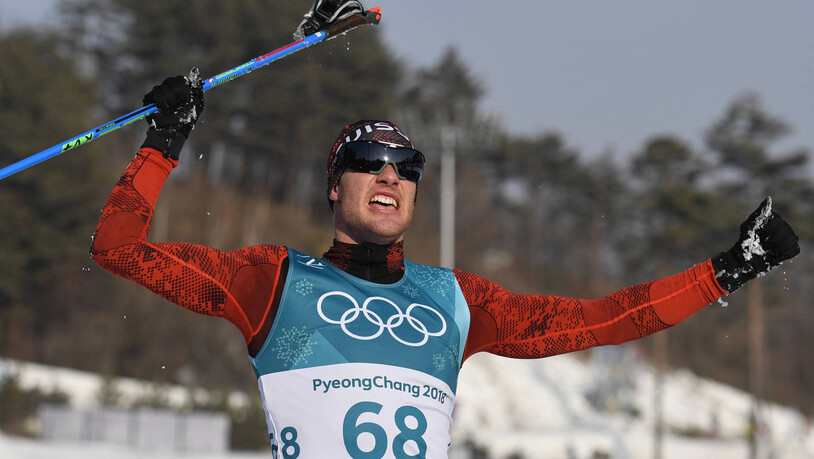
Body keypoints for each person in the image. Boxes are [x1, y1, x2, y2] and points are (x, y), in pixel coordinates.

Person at [91, 73, 800, 458]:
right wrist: (165, 142)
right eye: (367, 163)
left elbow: (602, 322)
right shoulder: (272, 277)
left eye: (406, 167)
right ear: (335, 186)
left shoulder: (457, 299)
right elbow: (119, 249)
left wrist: (730, 268)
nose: (389, 177)